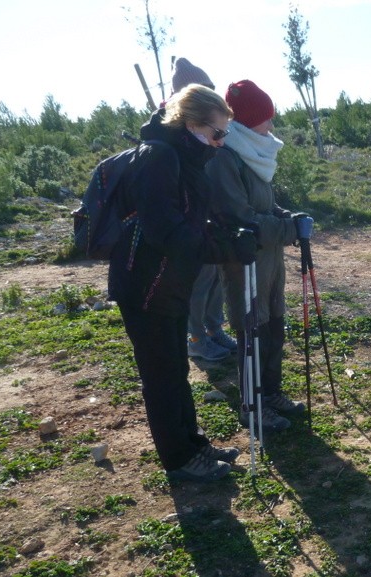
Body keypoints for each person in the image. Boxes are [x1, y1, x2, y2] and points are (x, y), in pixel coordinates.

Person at [108, 84, 257, 482]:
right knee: (162, 375)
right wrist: (222, 249)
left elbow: (191, 219)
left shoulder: (183, 157)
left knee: (175, 369)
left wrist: (229, 237)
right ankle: (178, 459)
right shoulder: (158, 157)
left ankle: (193, 443)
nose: (220, 142)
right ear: (191, 123)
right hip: (145, 286)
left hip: (167, 285)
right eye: (217, 132)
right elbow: (167, 231)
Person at [208, 80, 309, 432]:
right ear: (249, 121)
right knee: (251, 332)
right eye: (266, 119)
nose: (272, 126)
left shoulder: (253, 153)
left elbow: (265, 205)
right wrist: (288, 231)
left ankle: (272, 393)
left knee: (273, 326)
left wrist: (288, 217)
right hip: (243, 260)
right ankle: (252, 406)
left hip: (270, 260)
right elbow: (241, 218)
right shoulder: (225, 158)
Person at [169, 58, 238, 362]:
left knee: (214, 280)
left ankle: (214, 330)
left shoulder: (209, 133)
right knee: (198, 285)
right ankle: (196, 337)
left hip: (207, 220)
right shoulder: (172, 138)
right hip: (190, 227)